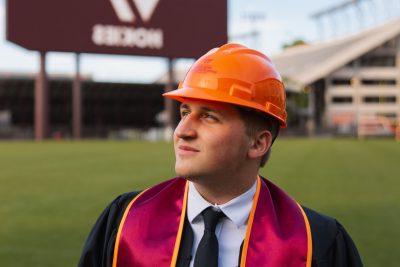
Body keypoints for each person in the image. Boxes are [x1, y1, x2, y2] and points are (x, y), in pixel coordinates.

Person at [79, 43, 363, 267]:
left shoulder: (317, 243)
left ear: (258, 144)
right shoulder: (125, 221)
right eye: (185, 113)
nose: (182, 131)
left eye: (209, 117)